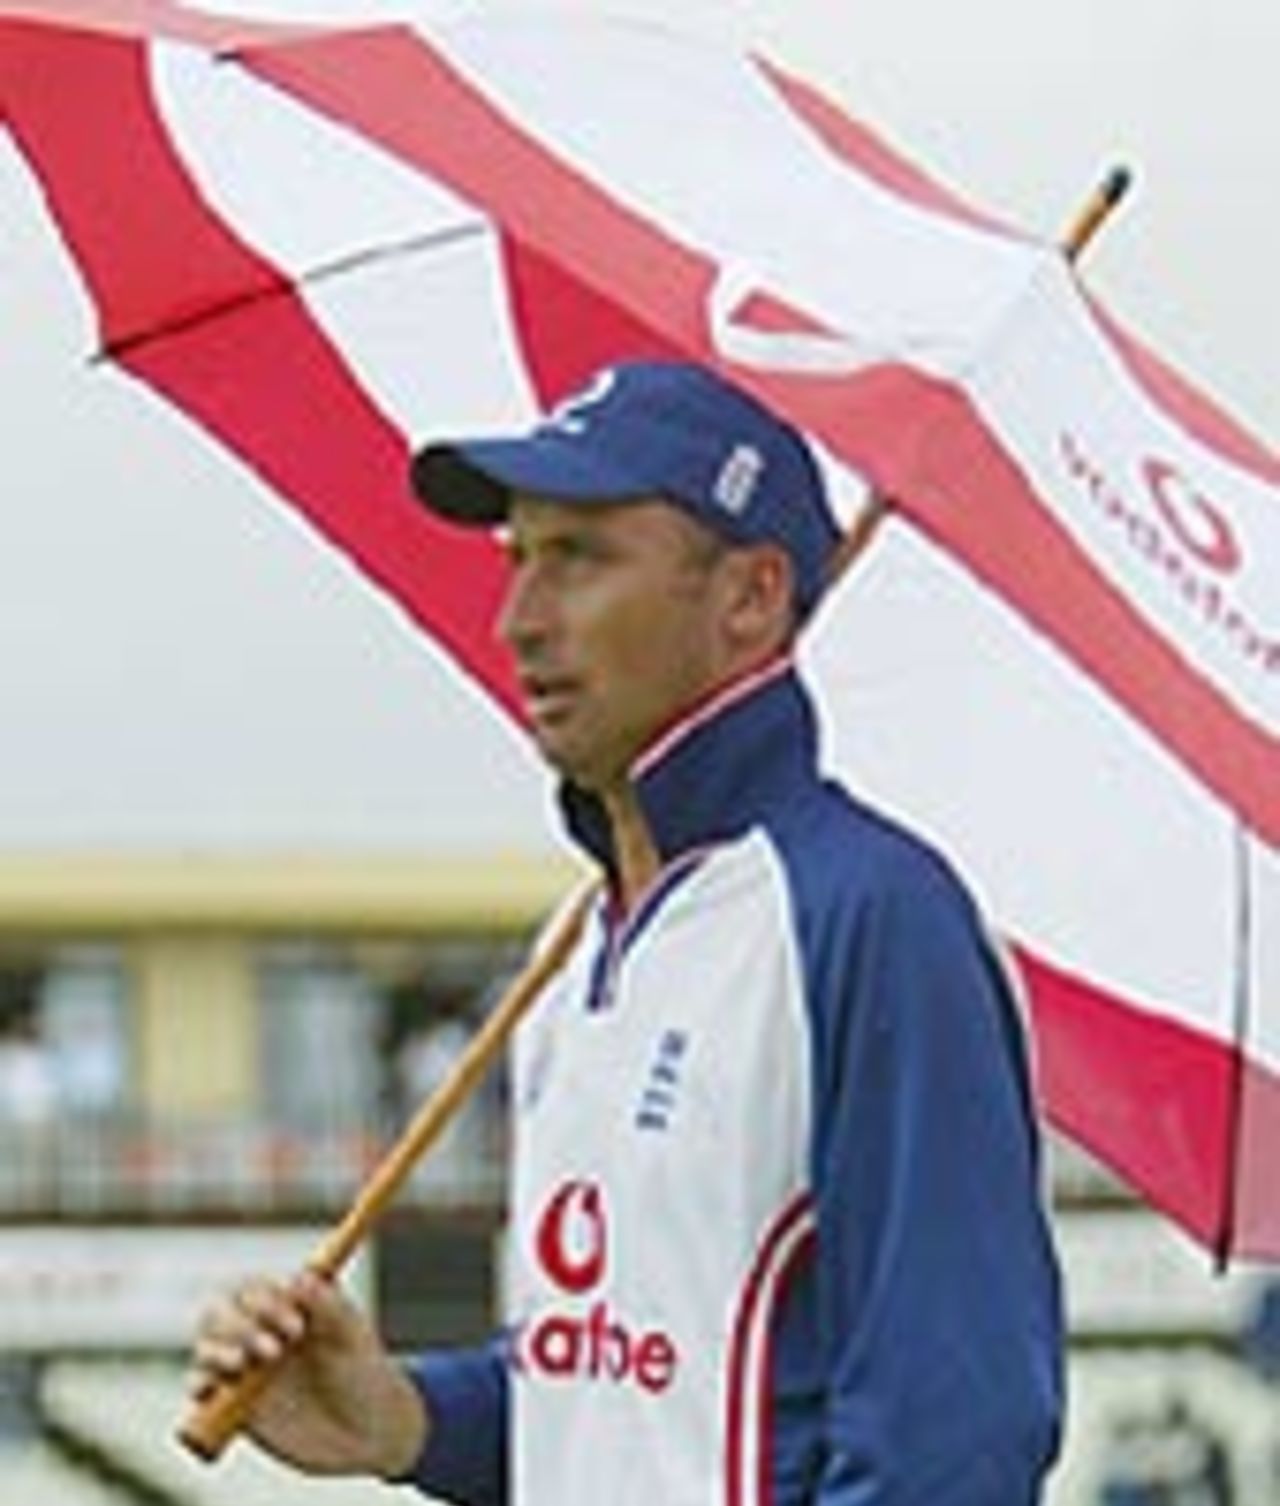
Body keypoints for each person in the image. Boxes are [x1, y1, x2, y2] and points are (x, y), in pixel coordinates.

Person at [188, 360, 1064, 1503]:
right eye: (516, 560)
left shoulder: (872, 920)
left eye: (579, 558)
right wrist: (401, 1419)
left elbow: (956, 1444)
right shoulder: (576, 941)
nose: (519, 620)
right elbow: (620, 1402)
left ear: (750, 598)